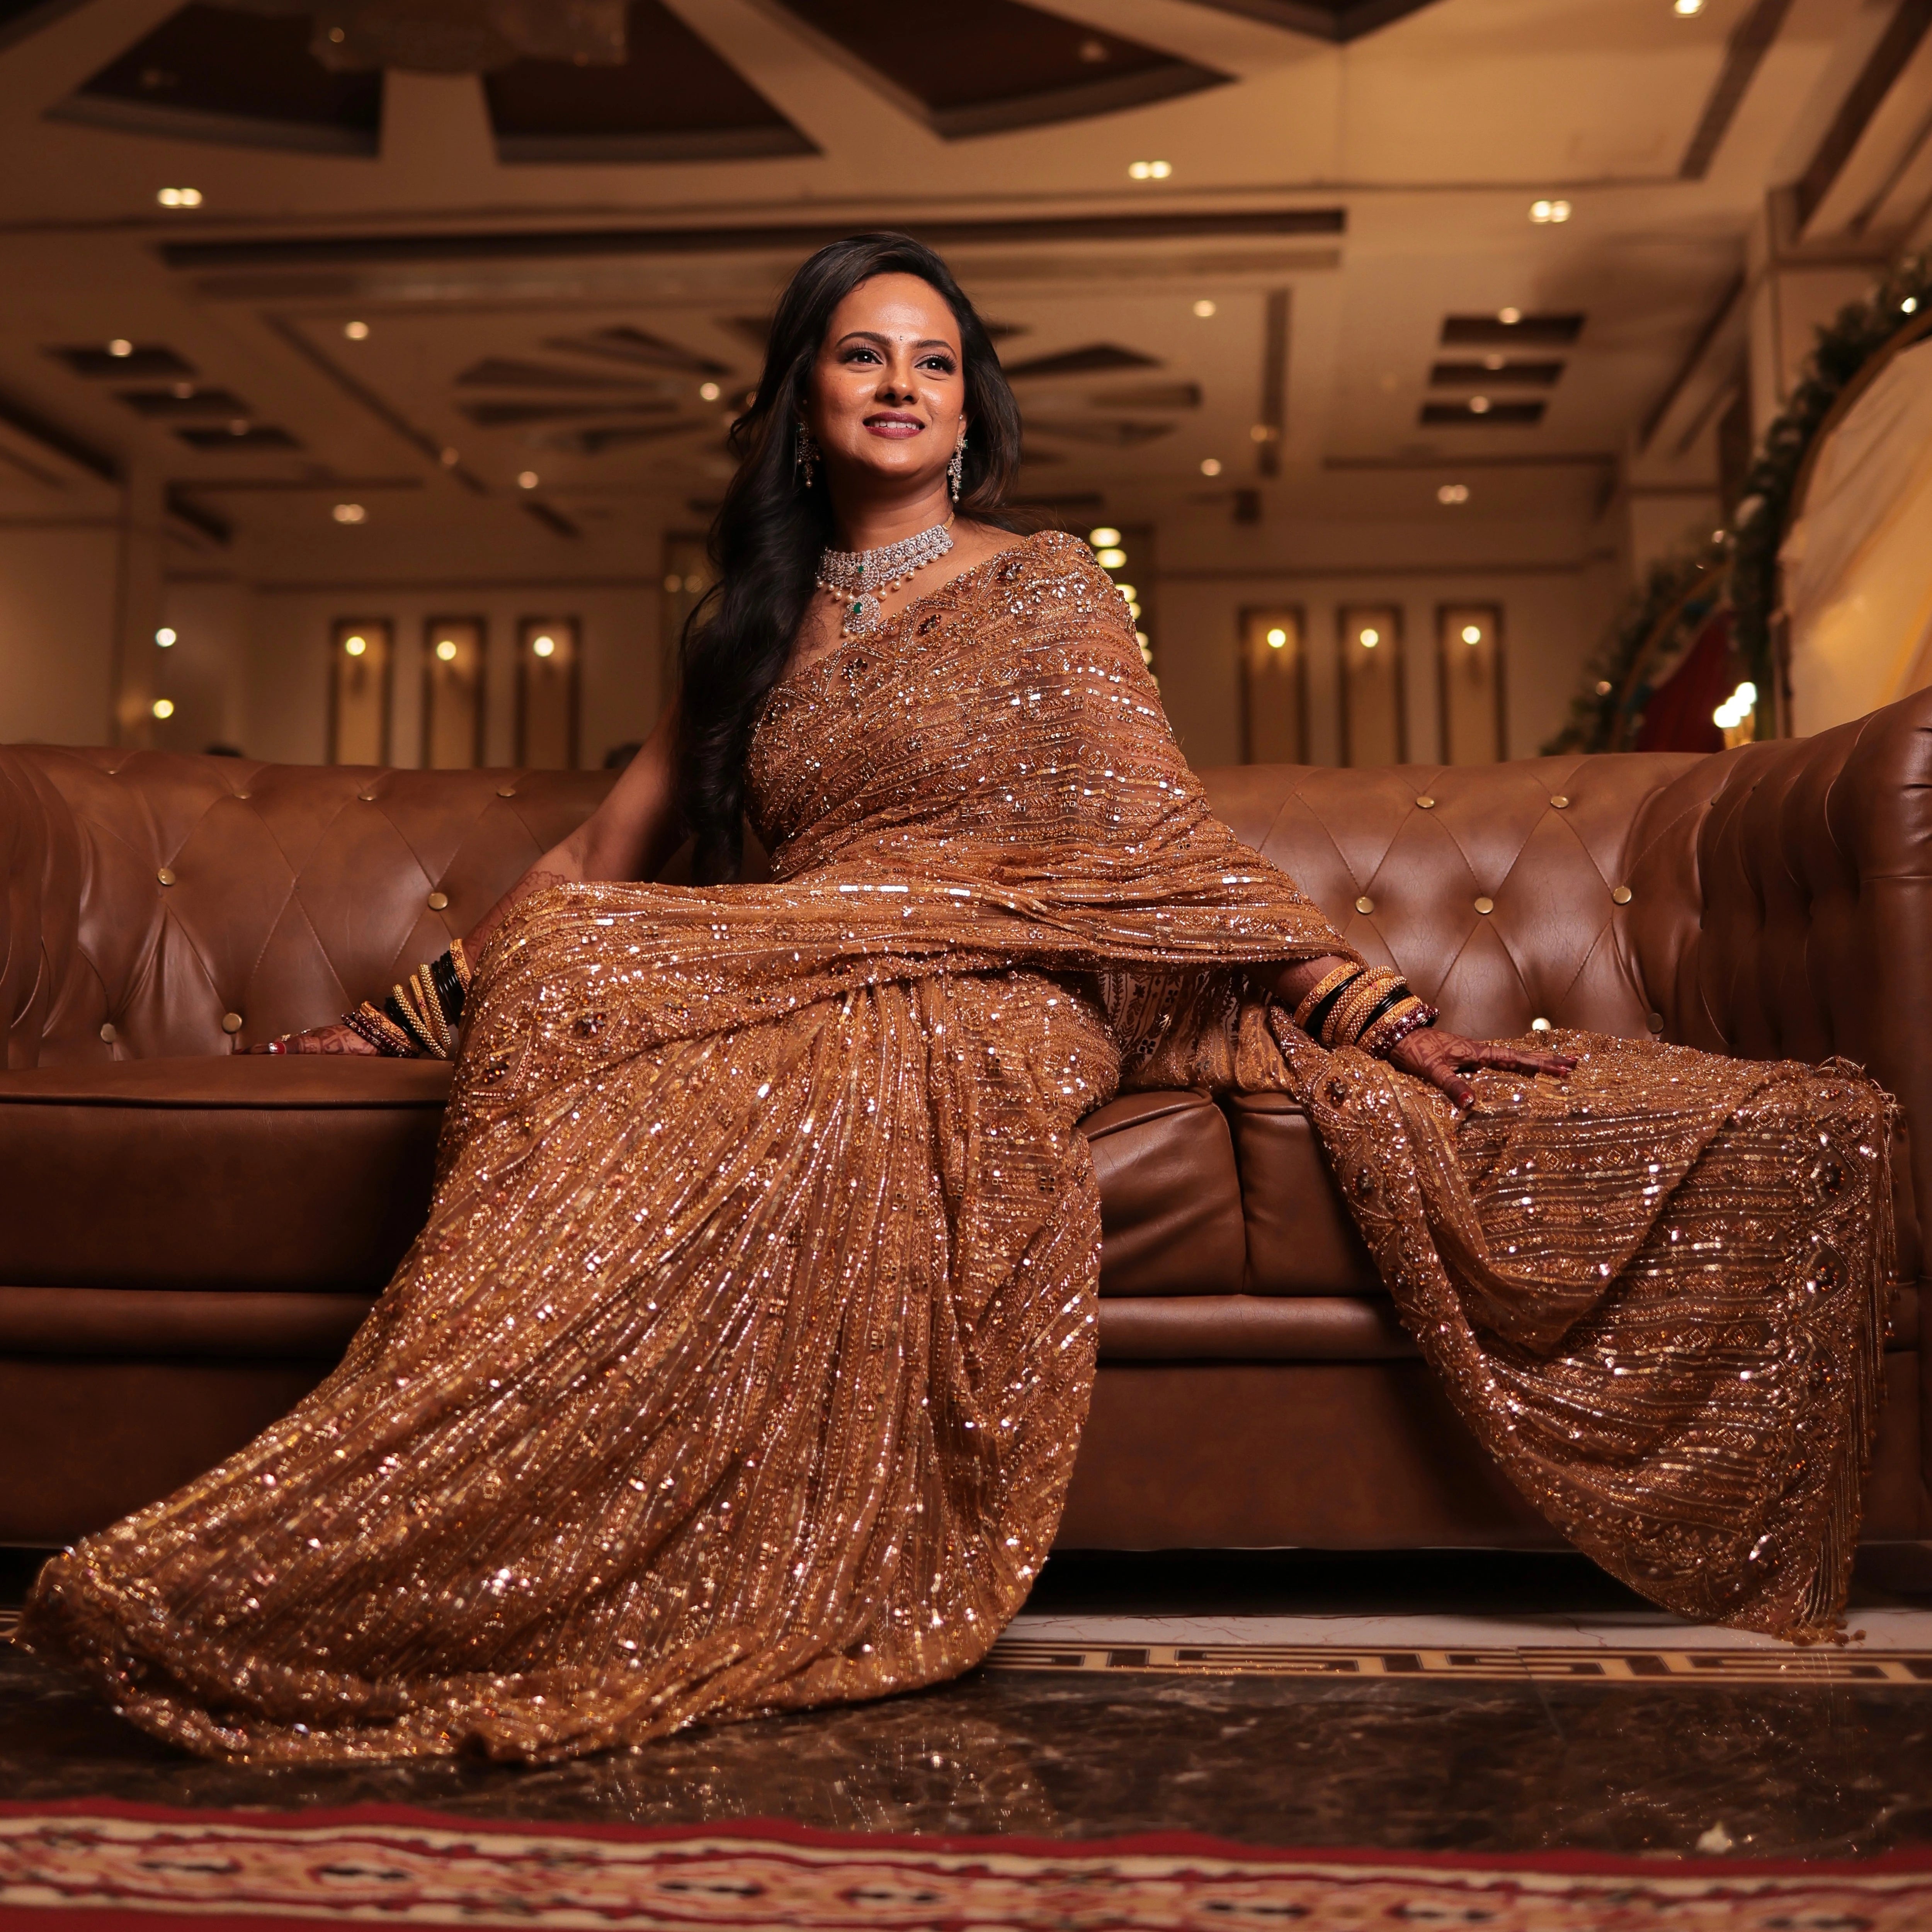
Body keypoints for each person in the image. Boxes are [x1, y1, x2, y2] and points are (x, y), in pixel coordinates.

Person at [19, 235, 1895, 1765]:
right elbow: (600, 858)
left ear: (968, 402)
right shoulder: (747, 619)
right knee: (586, 968)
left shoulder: (1052, 592)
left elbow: (1153, 837)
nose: (901, 382)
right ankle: (461, 1489)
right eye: (861, 355)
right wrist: (391, 1022)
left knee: (848, 1026)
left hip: (1023, 975)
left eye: (932, 357)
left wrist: (1372, 1008)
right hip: (815, 943)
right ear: (804, 400)